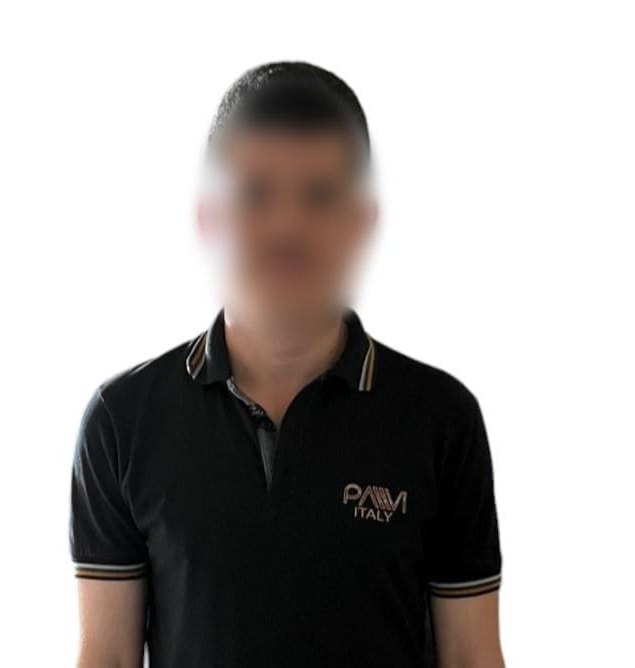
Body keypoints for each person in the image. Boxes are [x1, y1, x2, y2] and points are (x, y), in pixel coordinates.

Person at [69, 61, 504, 668]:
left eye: (319, 196)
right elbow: (107, 657)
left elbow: (471, 658)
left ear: (360, 222)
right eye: (256, 194)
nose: (287, 227)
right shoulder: (123, 420)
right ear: (209, 216)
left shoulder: (440, 418)